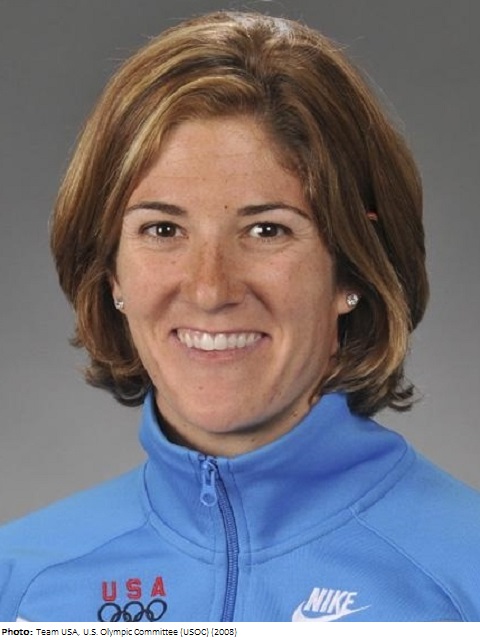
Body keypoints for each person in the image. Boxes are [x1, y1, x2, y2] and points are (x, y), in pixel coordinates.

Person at [1, 10, 479, 623]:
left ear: (354, 267)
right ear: (112, 271)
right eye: (163, 229)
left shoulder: (464, 576)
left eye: (266, 230)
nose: (209, 289)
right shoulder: (20, 588)